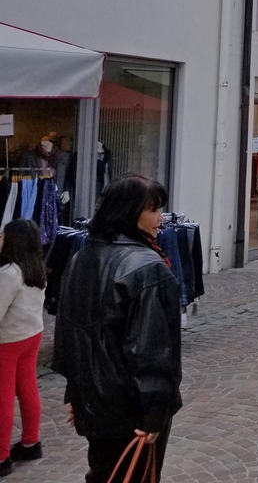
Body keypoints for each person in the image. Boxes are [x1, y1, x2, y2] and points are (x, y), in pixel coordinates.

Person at [53, 174, 183, 483]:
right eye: (152, 209)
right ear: (128, 212)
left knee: (104, 472)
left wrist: (76, 392)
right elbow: (152, 351)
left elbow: (69, 335)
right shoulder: (148, 268)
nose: (160, 218)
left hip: (95, 403)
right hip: (132, 409)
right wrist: (155, 413)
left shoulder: (81, 257)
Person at [0, 220, 46, 477]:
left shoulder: (9, 273)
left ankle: (1, 456)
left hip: (8, 340)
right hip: (31, 334)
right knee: (27, 388)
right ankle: (30, 441)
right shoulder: (36, 269)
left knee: (3, 396)